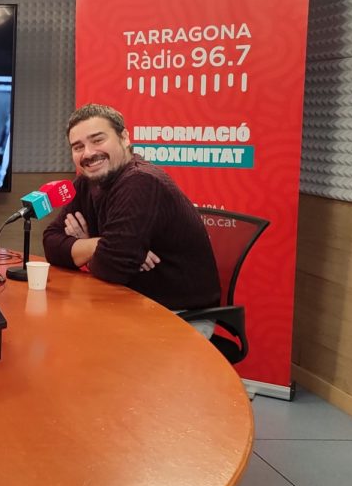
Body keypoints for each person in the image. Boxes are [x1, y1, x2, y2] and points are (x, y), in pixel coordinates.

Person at [42, 103, 220, 325]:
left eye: (98, 140)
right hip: (129, 303)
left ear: (124, 138)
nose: (88, 153)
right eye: (78, 147)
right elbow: (51, 242)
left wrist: (92, 248)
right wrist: (98, 244)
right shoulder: (89, 182)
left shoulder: (140, 181)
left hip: (178, 316)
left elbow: (111, 268)